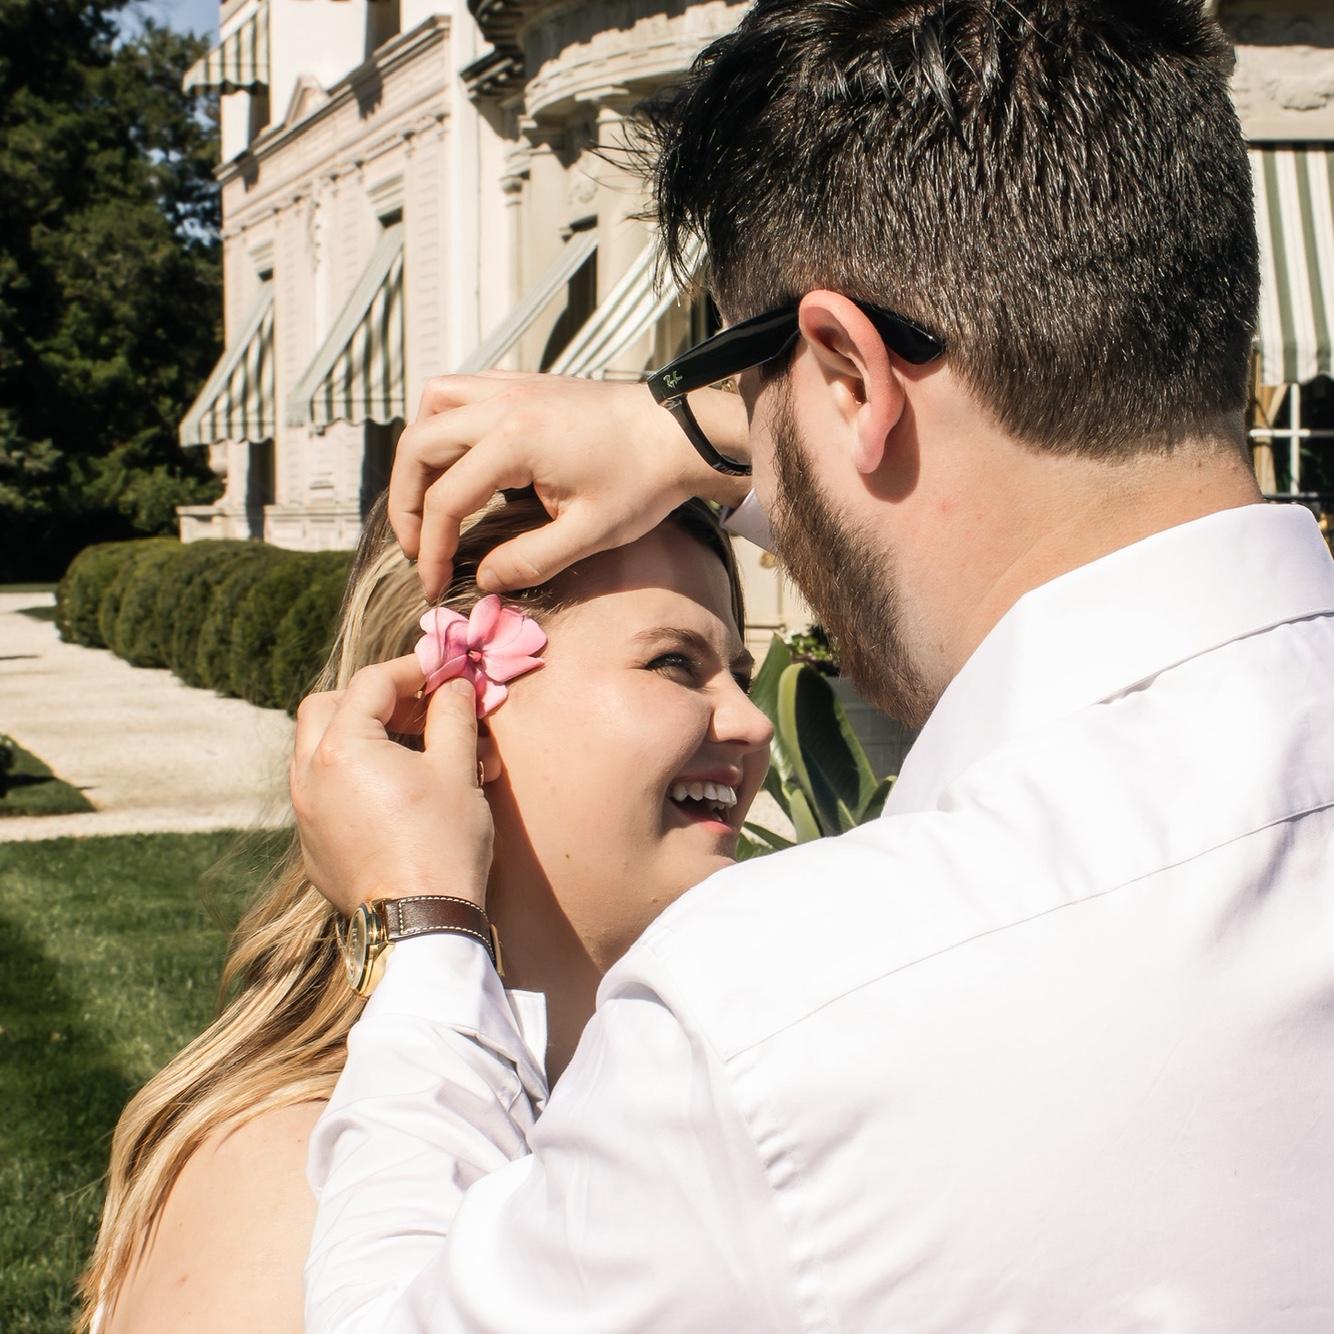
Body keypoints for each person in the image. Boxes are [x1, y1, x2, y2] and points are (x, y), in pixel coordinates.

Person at [292, 1, 1334, 1331]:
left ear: (845, 374)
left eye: (740, 377)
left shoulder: (783, 1019)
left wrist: (422, 927)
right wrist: (698, 426)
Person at [79, 489, 769, 1333]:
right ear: (456, 713)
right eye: (673, 663)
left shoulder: (675, 1094)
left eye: (741, 673)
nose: (750, 720)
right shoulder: (291, 1186)